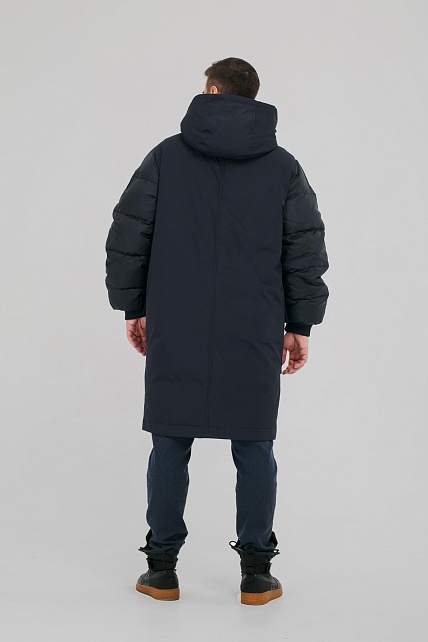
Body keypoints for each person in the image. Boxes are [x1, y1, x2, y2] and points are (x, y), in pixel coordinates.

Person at [104, 57, 329, 605]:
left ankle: (161, 570)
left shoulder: (165, 157)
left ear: (210, 90)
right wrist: (299, 324)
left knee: (170, 441)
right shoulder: (284, 167)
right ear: (253, 98)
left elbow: (129, 234)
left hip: (175, 320)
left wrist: (133, 307)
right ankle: (257, 574)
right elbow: (304, 250)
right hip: (255, 325)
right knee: (254, 445)